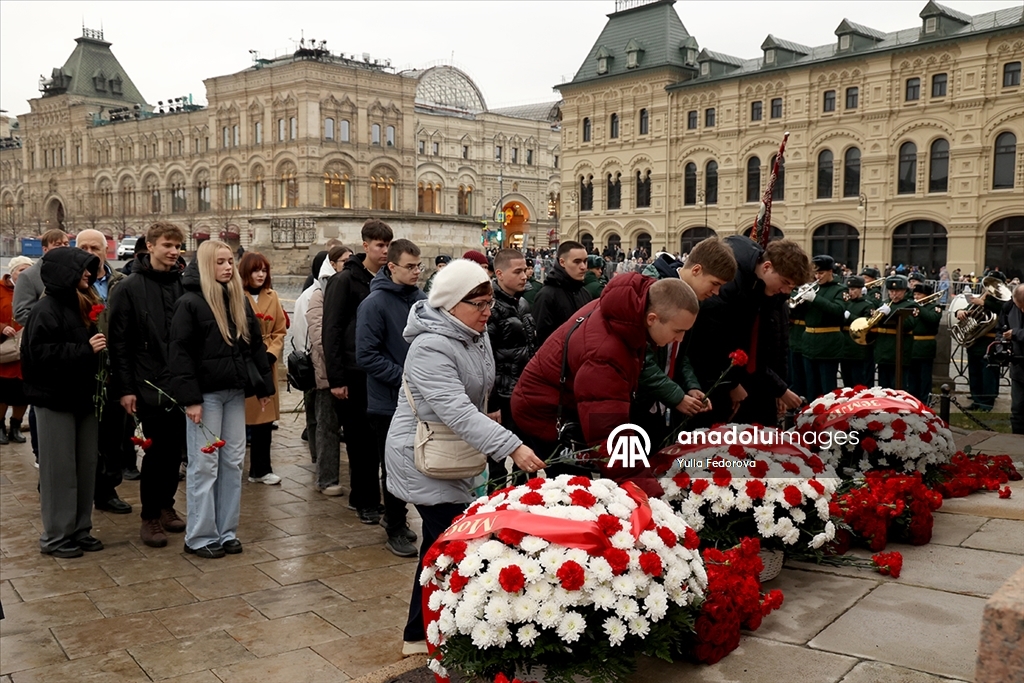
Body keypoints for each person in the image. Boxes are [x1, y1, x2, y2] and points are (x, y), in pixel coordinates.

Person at [385, 259, 545, 656]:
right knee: (450, 543)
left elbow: (476, 394)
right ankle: (422, 632)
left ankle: (424, 630)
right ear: (452, 303)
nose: (487, 311)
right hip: (422, 455)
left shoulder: (475, 333)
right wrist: (512, 446)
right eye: (479, 303)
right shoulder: (429, 345)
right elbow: (455, 410)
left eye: (490, 301)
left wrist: (491, 415)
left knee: (442, 544)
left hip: (455, 453)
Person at [512, 274, 699, 465]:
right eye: (678, 331)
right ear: (652, 318)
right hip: (544, 413)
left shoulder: (626, 316)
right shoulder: (605, 352)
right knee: (571, 489)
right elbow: (609, 434)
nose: (680, 339)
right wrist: (644, 486)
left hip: (564, 405)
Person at [168, 241, 274, 558]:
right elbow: (180, 354)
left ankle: (226, 531)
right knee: (204, 466)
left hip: (234, 392)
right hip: (206, 396)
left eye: (230, 261)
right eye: (220, 262)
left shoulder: (237, 300)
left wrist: (265, 387)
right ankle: (199, 536)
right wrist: (191, 400)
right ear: (205, 266)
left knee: (232, 463)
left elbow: (254, 346)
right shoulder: (190, 303)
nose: (228, 267)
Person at [21, 247, 106, 558]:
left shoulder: (82, 304)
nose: (88, 274)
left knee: (85, 466)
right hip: (54, 400)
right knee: (59, 471)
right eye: (82, 268)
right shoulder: (45, 310)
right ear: (63, 273)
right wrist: (84, 349)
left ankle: (80, 529)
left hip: (82, 398)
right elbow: (38, 357)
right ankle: (56, 536)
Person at [109, 222, 189, 548]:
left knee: (175, 452)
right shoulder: (129, 287)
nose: (174, 252)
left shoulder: (184, 284)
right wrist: (126, 389)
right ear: (151, 246)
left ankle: (167, 505)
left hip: (181, 383)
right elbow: (119, 344)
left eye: (178, 246)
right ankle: (150, 516)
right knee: (155, 453)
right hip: (147, 384)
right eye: (168, 245)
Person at [683, 237, 809, 426]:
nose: (785, 290)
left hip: (754, 382)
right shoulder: (731, 283)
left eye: (791, 287)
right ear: (766, 267)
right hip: (716, 382)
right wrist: (731, 384)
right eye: (784, 282)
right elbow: (713, 342)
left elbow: (775, 343)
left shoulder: (770, 293)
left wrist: (779, 387)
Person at [355, 238, 425, 557]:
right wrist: (406, 378)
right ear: (392, 267)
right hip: (387, 401)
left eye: (418, 266)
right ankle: (395, 525)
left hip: (420, 397)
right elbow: (366, 355)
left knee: (417, 461)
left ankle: (399, 518)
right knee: (394, 465)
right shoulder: (374, 304)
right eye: (410, 267)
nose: (416, 272)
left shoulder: (421, 300)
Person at [633, 238, 737, 444]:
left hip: (661, 403)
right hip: (638, 404)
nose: (716, 292)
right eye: (715, 284)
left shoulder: (691, 298)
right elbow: (640, 357)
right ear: (696, 270)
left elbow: (679, 351)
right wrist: (676, 396)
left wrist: (690, 386)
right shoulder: (652, 291)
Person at [323, 219, 392, 523]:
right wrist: (336, 378)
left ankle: (367, 496)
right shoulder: (346, 281)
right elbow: (332, 330)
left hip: (380, 372)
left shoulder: (388, 278)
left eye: (388, 245)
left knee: (378, 440)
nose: (385, 251)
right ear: (366, 246)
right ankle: (364, 499)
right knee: (359, 440)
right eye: (380, 245)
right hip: (353, 372)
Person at [75, 229, 135, 514]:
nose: (89, 252)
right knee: (84, 437)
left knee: (114, 436)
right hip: (84, 372)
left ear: (105, 250)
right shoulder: (69, 284)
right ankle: (81, 489)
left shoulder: (121, 283)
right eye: (83, 247)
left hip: (115, 371)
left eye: (95, 247)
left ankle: (108, 490)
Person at [486, 248, 537, 488]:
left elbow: (531, 346)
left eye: (525, 269)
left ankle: (523, 504)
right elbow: (487, 359)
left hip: (524, 393)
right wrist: (492, 402)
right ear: (500, 274)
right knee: (497, 460)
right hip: (503, 395)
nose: (524, 275)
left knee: (526, 458)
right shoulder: (490, 308)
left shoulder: (524, 302)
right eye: (517, 271)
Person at [239, 253, 286, 485]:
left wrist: (271, 352)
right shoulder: (237, 296)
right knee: (240, 419)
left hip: (266, 362)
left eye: (264, 270)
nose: (260, 275)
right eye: (256, 270)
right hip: (245, 361)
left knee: (264, 420)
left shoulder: (272, 296)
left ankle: (261, 469)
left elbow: (280, 331)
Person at [801, 255, 848, 400]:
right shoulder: (813, 288)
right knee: (811, 386)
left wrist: (815, 299)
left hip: (828, 344)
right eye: (815, 273)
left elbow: (838, 311)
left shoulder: (840, 290)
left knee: (827, 387)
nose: (817, 276)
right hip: (809, 343)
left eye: (821, 273)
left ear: (830, 272)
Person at [959, 272, 1005, 411]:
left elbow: (1004, 310)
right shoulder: (983, 297)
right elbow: (970, 310)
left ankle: (987, 402)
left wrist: (985, 303)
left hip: (990, 340)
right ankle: (976, 399)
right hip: (976, 340)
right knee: (975, 372)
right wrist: (961, 312)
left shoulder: (1003, 299)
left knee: (988, 373)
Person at [531, 240, 591, 346]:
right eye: (577, 262)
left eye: (585, 261)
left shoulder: (584, 293)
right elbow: (542, 340)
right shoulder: (546, 296)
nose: (583, 267)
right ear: (562, 262)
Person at [0, 256, 32, 445]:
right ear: (12, 272)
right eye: (21, 270)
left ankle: (16, 426)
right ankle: (0, 426)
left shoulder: (33, 290)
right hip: (5, 352)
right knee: (3, 393)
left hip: (25, 352)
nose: (25, 273)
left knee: (23, 394)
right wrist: (2, 327)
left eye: (28, 269)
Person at [873, 275, 917, 391]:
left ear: (904, 291)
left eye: (897, 291)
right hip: (883, 352)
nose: (894, 294)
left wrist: (890, 312)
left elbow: (909, 324)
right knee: (883, 387)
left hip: (900, 351)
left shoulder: (911, 305)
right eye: (891, 291)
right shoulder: (883, 304)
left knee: (898, 386)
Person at [839, 275, 874, 388]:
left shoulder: (867, 305)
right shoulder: (846, 303)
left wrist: (850, 317)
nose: (850, 292)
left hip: (858, 347)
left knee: (858, 381)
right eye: (849, 289)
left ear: (860, 290)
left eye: (853, 289)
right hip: (845, 346)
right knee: (846, 380)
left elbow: (867, 324)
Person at [909, 283, 941, 402]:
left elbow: (932, 319)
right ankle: (913, 399)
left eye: (919, 294)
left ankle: (925, 400)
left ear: (927, 295)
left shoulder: (934, 306)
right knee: (912, 377)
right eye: (915, 294)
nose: (916, 297)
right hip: (912, 345)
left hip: (925, 346)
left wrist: (919, 307)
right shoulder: (912, 306)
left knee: (925, 376)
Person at [1000, 285, 1024, 434]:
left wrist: (1016, 333)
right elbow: (1000, 329)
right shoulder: (1009, 307)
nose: (1022, 311)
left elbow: (1013, 331)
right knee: (1018, 408)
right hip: (1018, 365)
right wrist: (1001, 348)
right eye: (1020, 306)